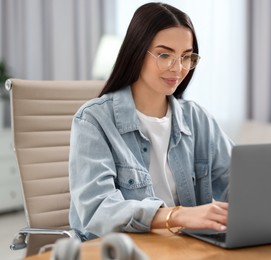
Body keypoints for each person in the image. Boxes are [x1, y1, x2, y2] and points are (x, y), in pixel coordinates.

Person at [69, 2, 233, 241]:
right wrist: (177, 216)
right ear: (137, 51)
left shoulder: (197, 118)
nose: (177, 68)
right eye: (164, 54)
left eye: (186, 57)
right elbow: (98, 210)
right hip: (120, 250)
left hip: (186, 248)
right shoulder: (93, 120)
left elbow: (239, 181)